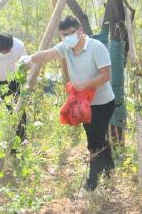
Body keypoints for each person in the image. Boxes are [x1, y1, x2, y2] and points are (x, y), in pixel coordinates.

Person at [20, 15, 115, 191]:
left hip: (102, 102)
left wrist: (86, 83)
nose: (66, 37)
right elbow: (47, 54)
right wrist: (30, 58)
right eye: (63, 35)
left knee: (94, 142)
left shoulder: (96, 47)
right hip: (82, 103)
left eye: (70, 33)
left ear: (79, 30)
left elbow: (106, 76)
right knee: (97, 138)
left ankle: (92, 184)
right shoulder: (65, 47)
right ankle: (110, 170)